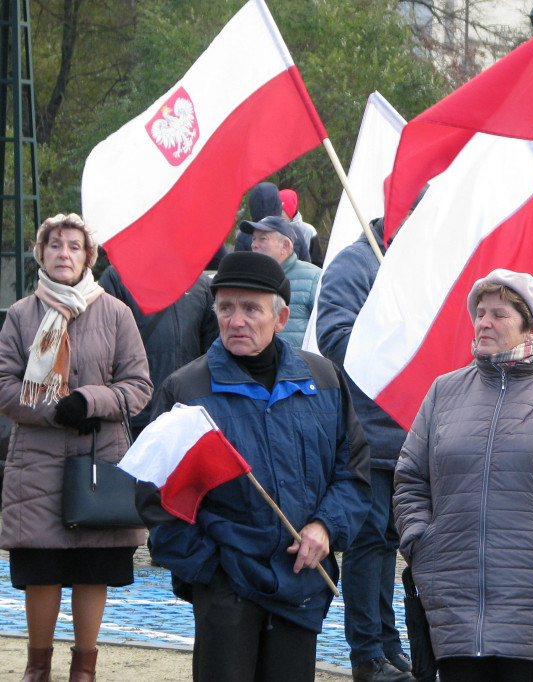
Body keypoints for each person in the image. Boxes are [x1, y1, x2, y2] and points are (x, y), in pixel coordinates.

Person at [139, 251, 372, 682]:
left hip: (301, 582)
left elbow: (353, 473)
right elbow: (155, 496)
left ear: (281, 317)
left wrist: (325, 527)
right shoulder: (186, 390)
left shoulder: (324, 380)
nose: (236, 320)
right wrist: (210, 571)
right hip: (225, 589)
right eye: (226, 308)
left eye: (251, 308)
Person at [393, 268, 533, 682]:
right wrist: (421, 541)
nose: (483, 323)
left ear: (530, 326)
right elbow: (410, 477)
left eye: (498, 314)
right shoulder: (443, 392)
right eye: (479, 313)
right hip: (456, 608)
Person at [0, 213, 152, 682]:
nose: (63, 254)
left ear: (89, 256)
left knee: (92, 568)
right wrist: (51, 407)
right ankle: (36, 667)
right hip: (36, 464)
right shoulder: (21, 315)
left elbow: (138, 386)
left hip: (98, 462)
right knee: (41, 569)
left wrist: (90, 401)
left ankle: (84, 669)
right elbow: (4, 384)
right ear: (41, 254)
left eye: (73, 246)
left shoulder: (116, 313)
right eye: (54, 246)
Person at [316, 192, 426, 682]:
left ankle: (388, 642)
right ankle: (367, 654)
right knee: (366, 543)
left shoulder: (418, 265)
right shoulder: (354, 263)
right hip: (367, 432)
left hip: (409, 435)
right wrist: (394, 344)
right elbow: (335, 338)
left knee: (387, 541)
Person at [99, 266, 218, 437]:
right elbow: (103, 352)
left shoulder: (201, 283)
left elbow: (211, 353)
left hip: (188, 414)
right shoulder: (118, 277)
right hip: (136, 416)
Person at [241, 215, 321, 348]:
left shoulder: (314, 278)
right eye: (254, 239)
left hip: (300, 365)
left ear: (285, 245)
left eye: (262, 239)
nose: (254, 245)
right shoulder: (246, 279)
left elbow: (323, 330)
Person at [236, 182, 311, 262]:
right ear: (278, 203)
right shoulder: (294, 232)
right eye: (255, 239)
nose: (254, 244)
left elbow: (236, 269)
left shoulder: (245, 234)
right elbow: (307, 265)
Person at [280, 188, 325, 268]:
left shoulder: (308, 231)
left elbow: (318, 265)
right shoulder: (269, 230)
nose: (277, 213)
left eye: (281, 209)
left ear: (290, 210)